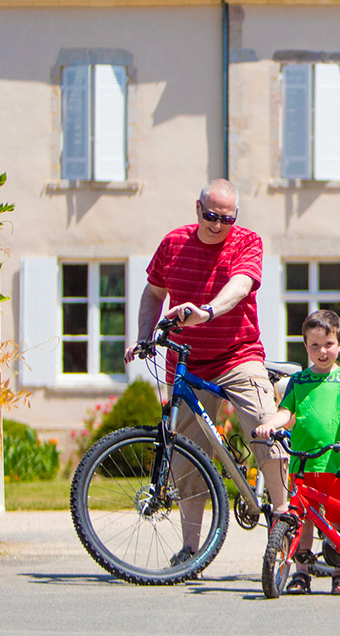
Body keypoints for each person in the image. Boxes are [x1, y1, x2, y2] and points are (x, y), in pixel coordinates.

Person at [124, 178, 286, 562]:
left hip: (237, 356)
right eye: (211, 216)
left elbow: (242, 284)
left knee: (266, 430)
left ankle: (282, 520)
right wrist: (144, 336)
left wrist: (207, 310)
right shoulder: (174, 244)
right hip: (187, 362)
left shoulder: (246, 241)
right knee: (186, 458)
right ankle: (191, 550)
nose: (217, 225)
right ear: (197, 210)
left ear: (236, 217)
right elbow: (153, 292)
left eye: (226, 218)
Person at [256, 309, 340, 595]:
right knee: (302, 519)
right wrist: (269, 425)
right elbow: (286, 411)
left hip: (334, 461)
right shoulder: (299, 381)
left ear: (339, 343)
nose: (322, 351)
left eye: (328, 344)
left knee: (337, 517)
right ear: (305, 347)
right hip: (302, 464)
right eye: (314, 345)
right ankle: (301, 572)